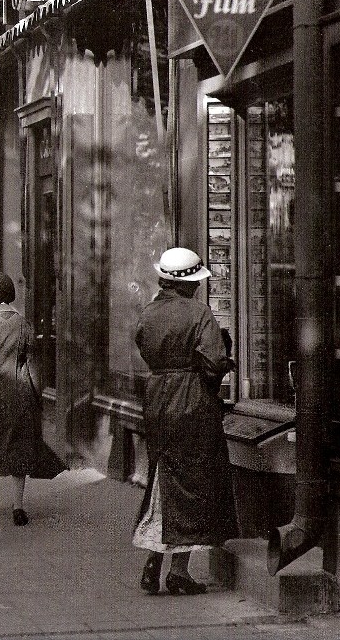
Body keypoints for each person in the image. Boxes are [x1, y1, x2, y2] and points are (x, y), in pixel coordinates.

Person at [132, 247, 237, 596]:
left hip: (157, 398)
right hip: (191, 400)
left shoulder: (148, 313)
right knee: (194, 483)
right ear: (189, 283)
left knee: (162, 477)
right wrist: (217, 370)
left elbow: (143, 346)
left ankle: (154, 560)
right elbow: (214, 360)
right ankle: (178, 571)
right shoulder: (198, 312)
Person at [0, 272, 65, 527]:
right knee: (19, 447)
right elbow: (32, 364)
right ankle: (18, 505)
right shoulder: (24, 325)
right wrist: (37, 395)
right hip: (20, 396)